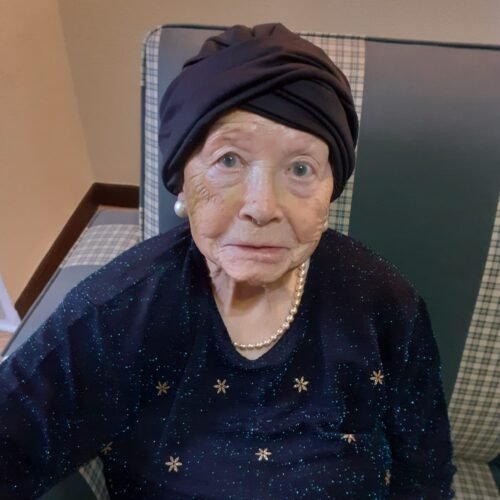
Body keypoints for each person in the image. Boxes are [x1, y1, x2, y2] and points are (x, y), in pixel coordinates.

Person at [0, 23, 455, 498]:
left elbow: (425, 474)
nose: (262, 206)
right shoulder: (117, 311)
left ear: (329, 191)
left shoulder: (384, 303)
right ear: (181, 179)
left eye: (300, 169)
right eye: (229, 160)